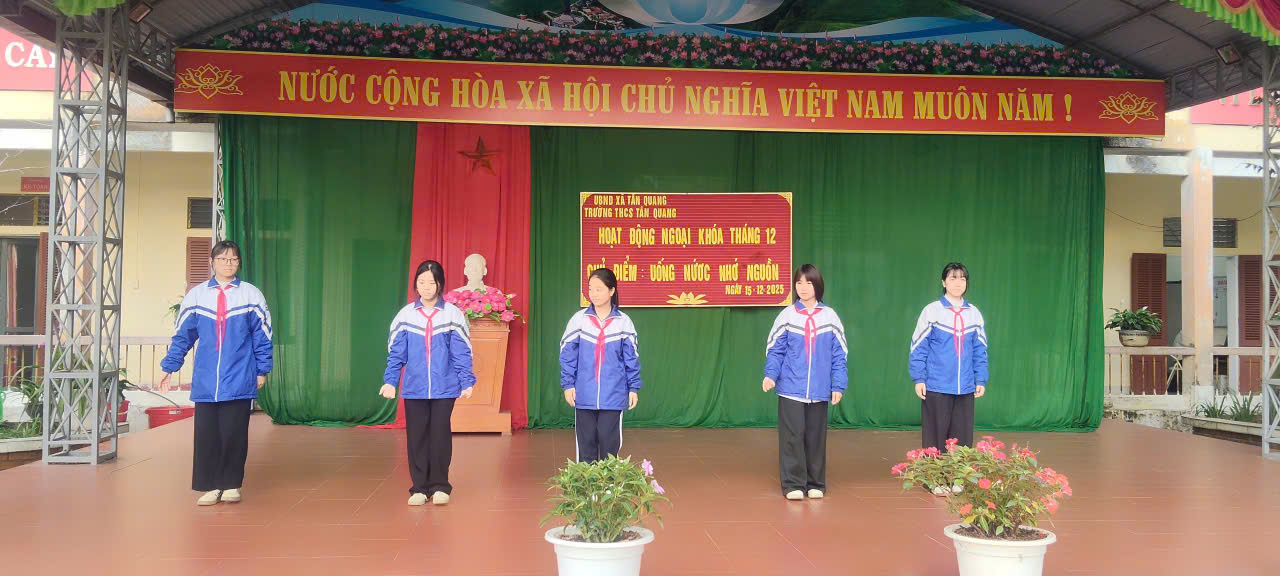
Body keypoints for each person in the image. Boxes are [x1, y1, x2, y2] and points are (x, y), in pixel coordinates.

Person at [160, 240, 273, 507]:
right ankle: (209, 486)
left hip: (239, 374)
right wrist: (169, 367)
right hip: (207, 378)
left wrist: (262, 369)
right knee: (206, 435)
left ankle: (232, 484)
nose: (228, 264)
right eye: (223, 259)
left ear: (239, 263)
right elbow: (183, 335)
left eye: (233, 259)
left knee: (234, 433)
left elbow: (263, 336)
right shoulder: (197, 296)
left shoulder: (250, 295)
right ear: (212, 262)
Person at [381, 260, 476, 506]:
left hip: (445, 388)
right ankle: (419, 488)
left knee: (440, 435)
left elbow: (461, 352)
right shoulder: (406, 315)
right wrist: (390, 381)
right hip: (415, 388)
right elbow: (396, 352)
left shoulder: (452, 314)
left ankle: (441, 486)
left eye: (431, 282)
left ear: (440, 285)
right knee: (417, 437)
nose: (425, 287)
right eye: (421, 282)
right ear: (416, 284)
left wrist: (467, 381)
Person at [763, 264, 848, 501]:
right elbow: (776, 350)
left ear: (817, 285)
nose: (803, 288)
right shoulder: (787, 315)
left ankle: (815, 483)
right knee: (792, 437)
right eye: (799, 283)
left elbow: (839, 354)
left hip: (819, 390)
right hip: (791, 388)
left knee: (815, 437)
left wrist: (838, 385)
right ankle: (793, 485)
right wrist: (770, 375)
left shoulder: (830, 317)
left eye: (808, 283)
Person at [908, 262, 988, 494]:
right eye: (952, 278)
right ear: (943, 282)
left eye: (962, 278)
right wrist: (919, 378)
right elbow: (918, 347)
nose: (958, 282)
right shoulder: (931, 311)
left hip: (965, 387)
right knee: (935, 433)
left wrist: (980, 379)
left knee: (962, 435)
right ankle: (934, 480)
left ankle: (958, 478)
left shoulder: (974, 313)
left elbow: (980, 350)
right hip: (936, 384)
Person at [559, 268, 641, 463]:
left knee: (608, 445)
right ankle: (586, 483)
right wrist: (568, 384)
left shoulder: (624, 322)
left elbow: (631, 358)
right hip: (584, 393)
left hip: (613, 394)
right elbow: (567, 354)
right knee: (586, 446)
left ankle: (608, 482)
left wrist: (633, 388)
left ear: (611, 291)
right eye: (590, 289)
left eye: (599, 289)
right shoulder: (579, 320)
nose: (593, 294)